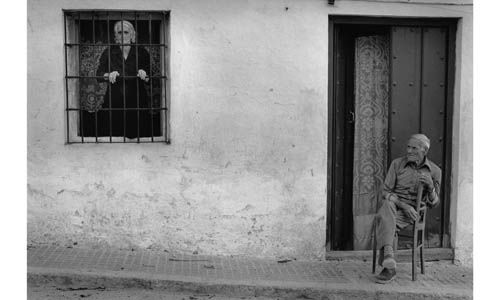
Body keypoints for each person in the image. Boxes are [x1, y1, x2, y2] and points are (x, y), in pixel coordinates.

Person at [374, 134, 441, 283]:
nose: (409, 151)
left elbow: (435, 203)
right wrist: (403, 205)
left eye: (414, 148)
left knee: (384, 220)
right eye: (408, 147)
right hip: (396, 207)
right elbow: (385, 192)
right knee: (388, 205)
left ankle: (389, 265)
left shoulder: (435, 171)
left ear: (424, 151)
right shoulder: (397, 164)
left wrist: (430, 187)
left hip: (413, 213)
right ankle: (389, 258)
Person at [96, 20, 153, 139]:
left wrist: (145, 74)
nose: (123, 35)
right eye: (119, 32)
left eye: (126, 32)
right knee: (113, 135)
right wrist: (108, 74)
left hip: (137, 99)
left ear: (132, 34)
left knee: (138, 136)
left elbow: (152, 78)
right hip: (114, 99)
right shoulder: (109, 52)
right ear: (115, 35)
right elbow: (98, 75)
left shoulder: (141, 52)